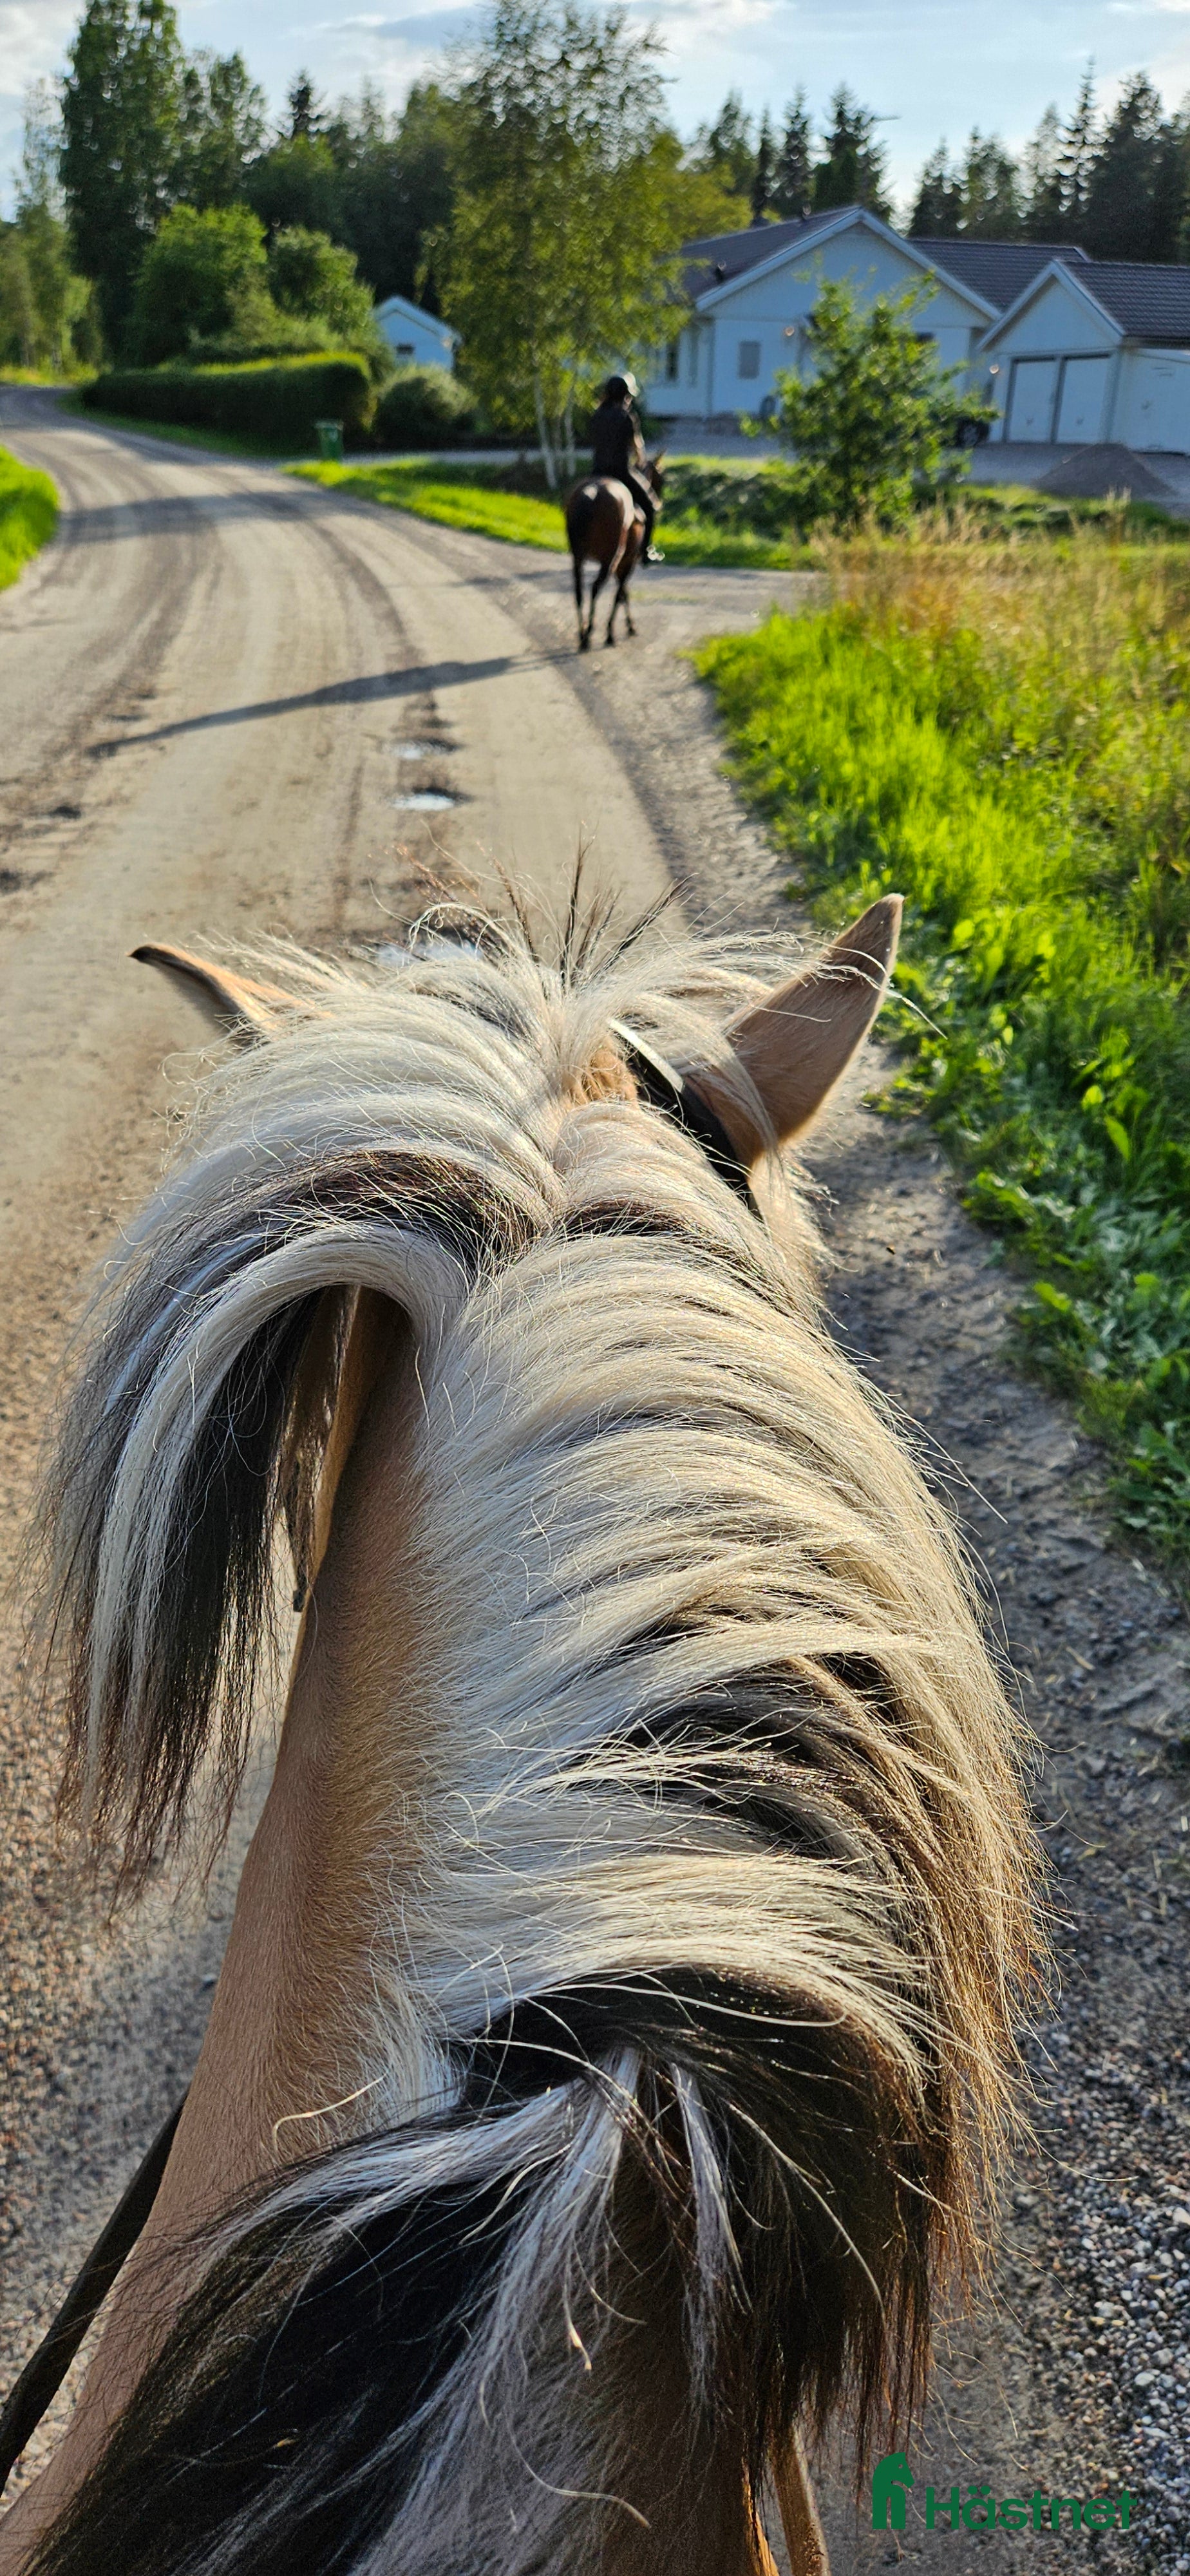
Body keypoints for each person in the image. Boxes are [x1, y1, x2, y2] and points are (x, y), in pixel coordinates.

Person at [589, 373, 663, 563]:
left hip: (596, 472)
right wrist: (642, 462)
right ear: (625, 396)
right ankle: (646, 552)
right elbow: (639, 451)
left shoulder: (597, 416)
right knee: (650, 505)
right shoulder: (627, 417)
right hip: (620, 472)